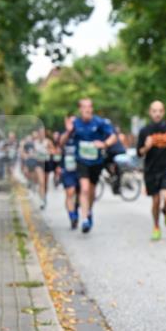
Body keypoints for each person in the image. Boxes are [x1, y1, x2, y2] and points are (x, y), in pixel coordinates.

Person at [60, 98, 116, 233]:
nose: (87, 109)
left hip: (96, 163)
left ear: (92, 108)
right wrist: (68, 132)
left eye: (89, 106)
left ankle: (89, 211)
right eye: (84, 107)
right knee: (84, 189)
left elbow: (113, 136)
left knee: (91, 191)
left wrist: (104, 144)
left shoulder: (99, 122)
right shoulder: (75, 123)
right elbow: (61, 143)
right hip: (81, 161)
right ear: (80, 109)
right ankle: (84, 219)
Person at [137, 100, 166, 241]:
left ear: (163, 112)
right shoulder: (144, 131)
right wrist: (146, 147)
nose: (157, 113)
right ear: (150, 112)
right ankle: (156, 226)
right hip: (151, 170)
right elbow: (139, 153)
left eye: (160, 111)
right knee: (156, 201)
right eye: (154, 111)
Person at [59, 118, 80, 229]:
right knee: (70, 192)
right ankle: (72, 217)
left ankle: (76, 210)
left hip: (80, 168)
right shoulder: (65, 135)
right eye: (70, 122)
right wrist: (68, 131)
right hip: (67, 169)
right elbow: (61, 143)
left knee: (80, 195)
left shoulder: (80, 133)